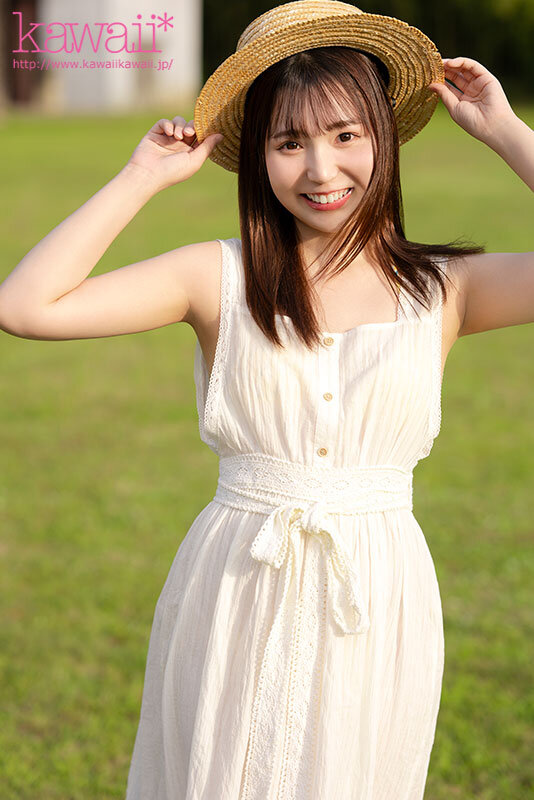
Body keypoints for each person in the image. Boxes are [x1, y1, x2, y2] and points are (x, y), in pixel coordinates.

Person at [1, 1, 533, 797]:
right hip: (236, 592)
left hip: (376, 596)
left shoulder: (444, 289)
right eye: (290, 142)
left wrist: (506, 131)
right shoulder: (213, 277)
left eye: (346, 135)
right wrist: (141, 177)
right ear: (257, 155)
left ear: (385, 139)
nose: (321, 170)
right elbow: (24, 306)